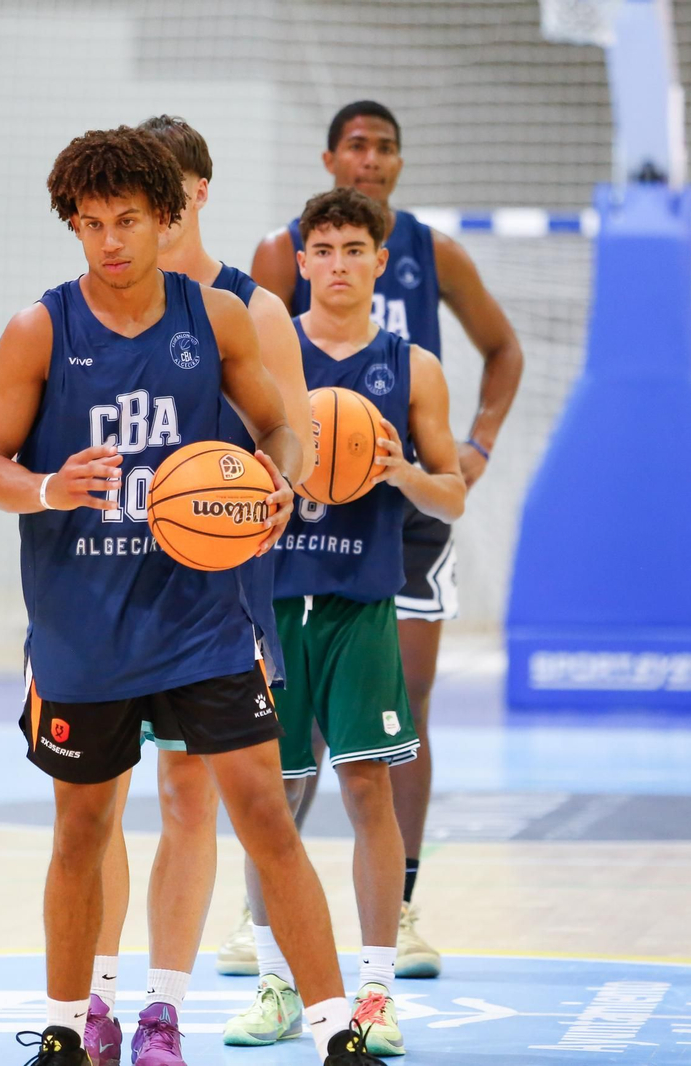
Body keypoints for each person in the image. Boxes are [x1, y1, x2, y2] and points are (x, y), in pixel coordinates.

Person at [0, 125, 381, 1066]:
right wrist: (47, 487)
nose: (109, 240)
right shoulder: (40, 329)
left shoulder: (217, 318)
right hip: (83, 626)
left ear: (166, 217)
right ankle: (68, 1031)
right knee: (82, 829)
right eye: (91, 223)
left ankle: (336, 1034)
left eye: (127, 220)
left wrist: (276, 478)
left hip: (202, 617)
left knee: (265, 817)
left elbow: (279, 426)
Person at [241, 98, 522, 980]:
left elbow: (503, 351)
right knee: (285, 756)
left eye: (385, 147)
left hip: (396, 518)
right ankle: (267, 926)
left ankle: (396, 910)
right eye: (356, 146)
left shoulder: (429, 270)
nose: (370, 159)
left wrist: (471, 450)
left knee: (396, 723)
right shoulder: (273, 292)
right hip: (291, 537)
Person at [80, 114, 314, 1066]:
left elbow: (293, 448)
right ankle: (93, 1003)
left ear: (195, 194)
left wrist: (266, 491)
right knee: (93, 806)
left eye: (161, 193)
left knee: (188, 798)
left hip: (210, 593)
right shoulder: (82, 310)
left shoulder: (250, 311)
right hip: (99, 588)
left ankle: (162, 1012)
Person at [224, 187, 465, 1055]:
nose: (336, 265)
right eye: (321, 250)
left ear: (379, 260)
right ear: (300, 261)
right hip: (273, 605)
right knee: (273, 798)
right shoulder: (261, 355)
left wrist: (401, 473)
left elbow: (452, 495)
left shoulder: (413, 367)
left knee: (366, 789)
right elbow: (221, 472)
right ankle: (276, 983)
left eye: (353, 249)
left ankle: (374, 995)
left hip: (361, 608)